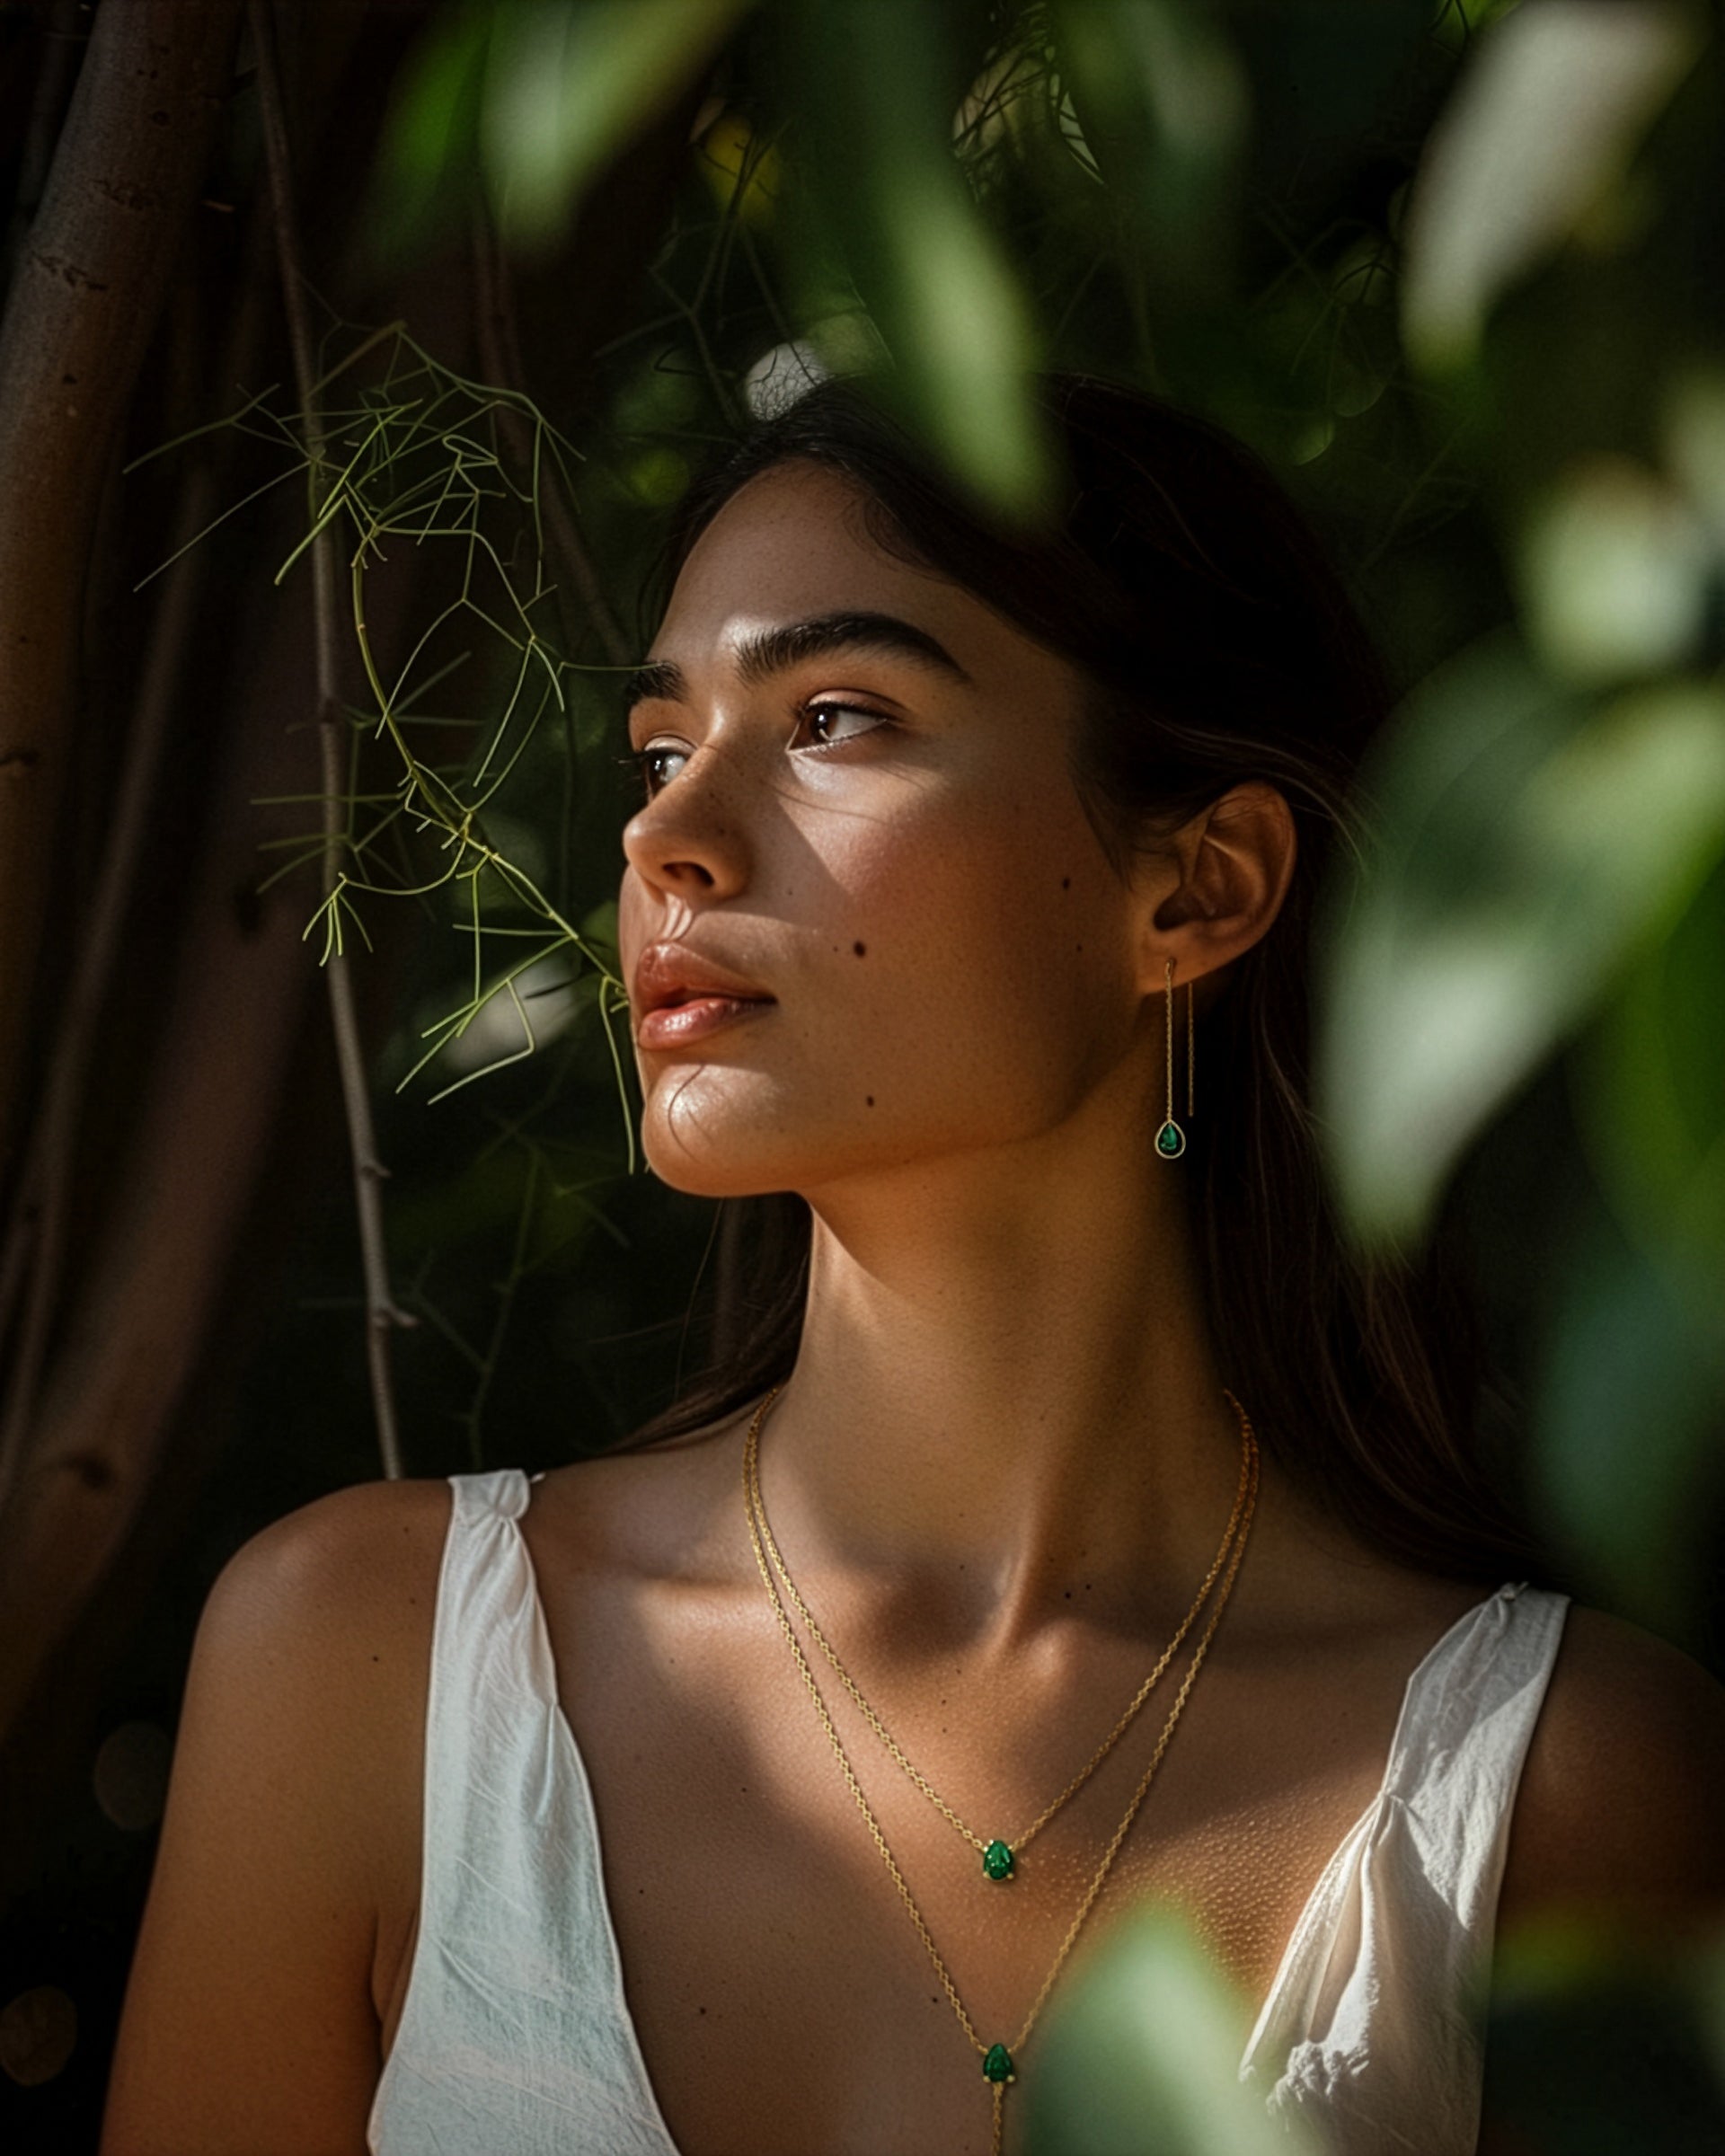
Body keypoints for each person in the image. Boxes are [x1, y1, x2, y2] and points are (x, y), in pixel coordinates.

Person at [102, 376, 1725, 2156]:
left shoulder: (1572, 1793)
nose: (663, 839)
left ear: (1196, 890)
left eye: (834, 718)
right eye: (660, 749)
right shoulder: (367, 1675)